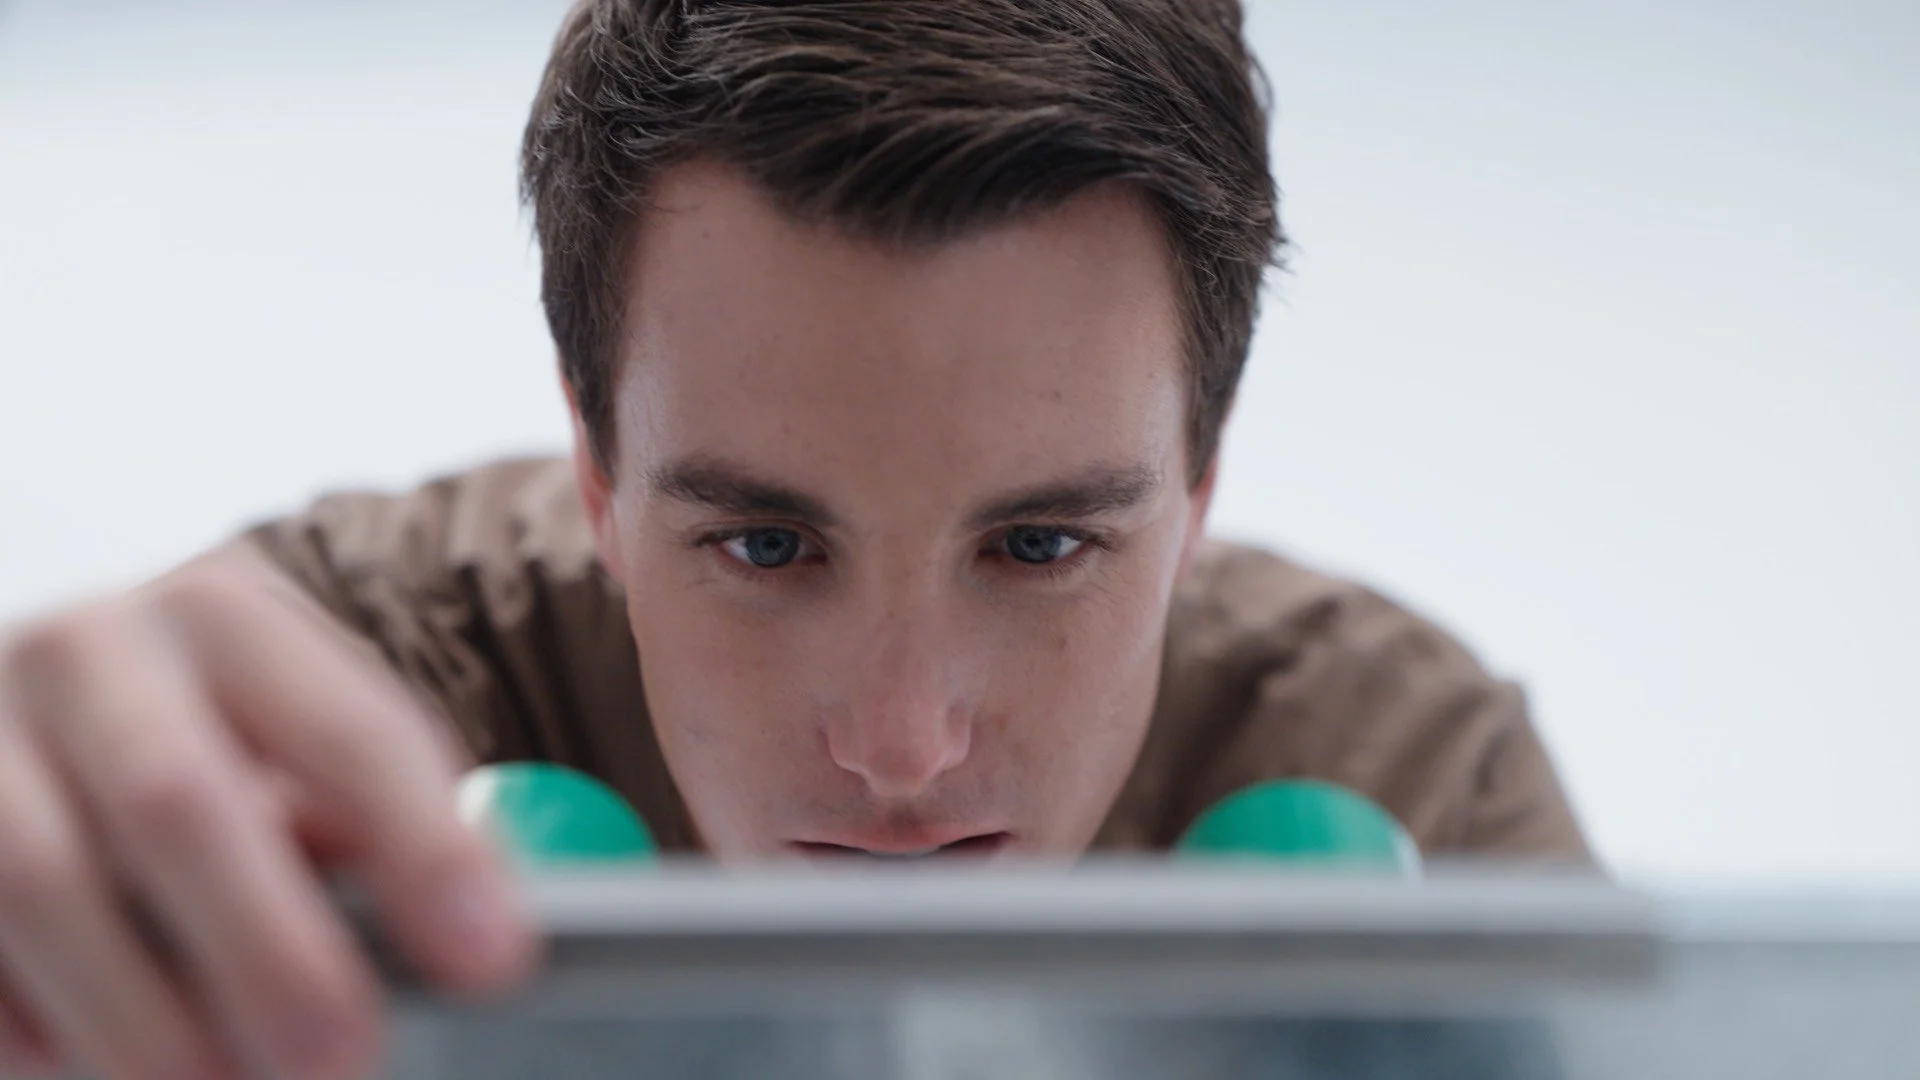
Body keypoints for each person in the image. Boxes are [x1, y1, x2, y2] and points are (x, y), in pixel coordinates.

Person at [0, 1, 1592, 1077]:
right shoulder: (323, 723)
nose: (903, 754)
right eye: (765, 546)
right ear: (599, 473)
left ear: (1201, 485)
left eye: (1041, 546)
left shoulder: (1418, 788)